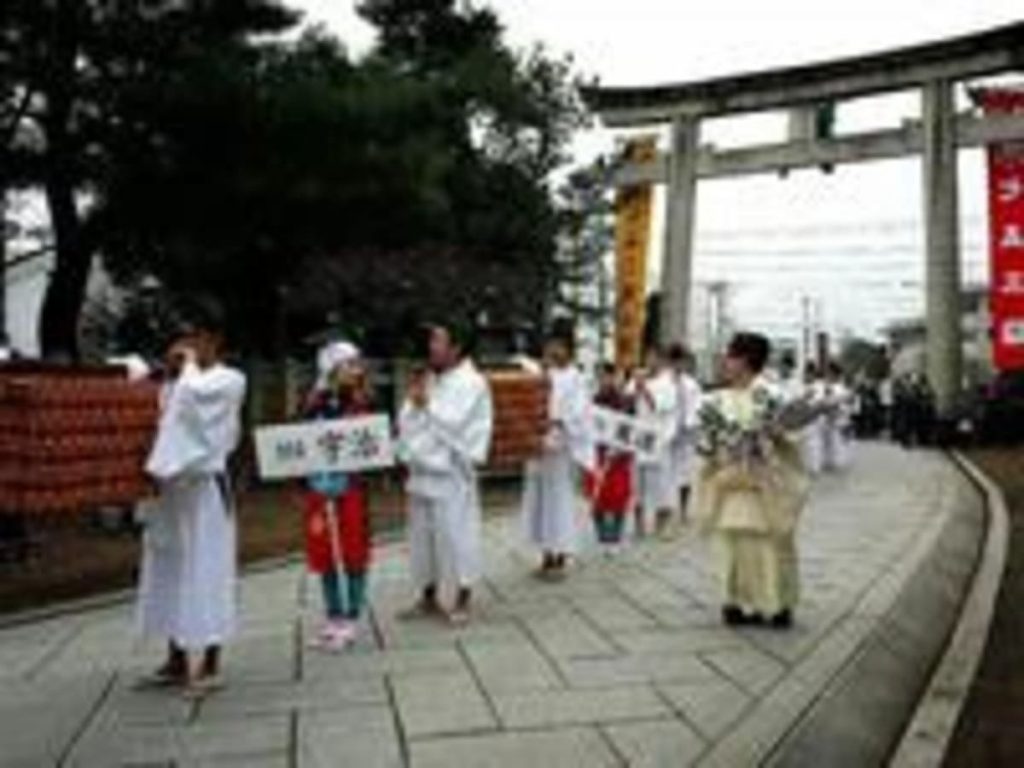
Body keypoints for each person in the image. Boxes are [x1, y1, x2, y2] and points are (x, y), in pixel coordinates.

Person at [135, 300, 247, 697]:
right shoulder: (180, 381)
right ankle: (175, 657)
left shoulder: (229, 379)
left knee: (208, 568)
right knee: (171, 567)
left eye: (194, 337)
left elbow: (200, 405)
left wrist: (183, 373)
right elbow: (166, 419)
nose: (186, 345)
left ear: (214, 340)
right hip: (173, 490)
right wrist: (169, 377)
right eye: (182, 337)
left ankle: (211, 662)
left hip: (206, 488)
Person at [690, 332, 809, 629]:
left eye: (730, 356)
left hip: (765, 482)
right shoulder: (714, 401)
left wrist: (773, 436)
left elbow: (795, 436)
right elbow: (705, 443)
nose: (725, 362)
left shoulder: (773, 395)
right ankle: (736, 602)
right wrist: (715, 451)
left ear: (744, 361)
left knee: (770, 542)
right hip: (730, 481)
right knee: (732, 541)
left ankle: (777, 603)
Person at [398, 324, 493, 626]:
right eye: (431, 340)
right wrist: (416, 405)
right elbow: (408, 417)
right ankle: (428, 595)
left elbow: (456, 424)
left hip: (450, 473)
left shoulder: (472, 382)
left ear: (456, 348)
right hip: (421, 470)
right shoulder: (429, 378)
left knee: (454, 536)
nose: (431, 346)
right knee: (421, 538)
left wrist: (426, 406)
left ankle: (461, 597)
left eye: (438, 340)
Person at [301, 341, 373, 652]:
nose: (356, 370)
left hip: (351, 489)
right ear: (331, 369)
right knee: (325, 552)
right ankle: (333, 617)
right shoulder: (313, 405)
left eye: (358, 364)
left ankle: (351, 618)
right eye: (349, 364)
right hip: (319, 489)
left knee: (353, 551)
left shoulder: (361, 403)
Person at [521, 331, 593, 580]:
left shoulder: (576, 378)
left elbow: (580, 413)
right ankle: (546, 555)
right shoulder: (543, 374)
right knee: (541, 504)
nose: (553, 351)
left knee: (559, 503)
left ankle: (560, 557)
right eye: (550, 345)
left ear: (569, 350)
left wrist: (558, 421)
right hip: (540, 445)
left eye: (559, 346)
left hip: (560, 448)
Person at [630, 346, 681, 538]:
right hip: (638, 436)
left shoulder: (667, 383)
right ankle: (639, 524)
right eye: (647, 358)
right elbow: (629, 401)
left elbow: (657, 407)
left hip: (659, 437)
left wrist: (643, 389)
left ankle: (662, 523)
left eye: (653, 359)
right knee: (638, 483)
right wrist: (635, 387)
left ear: (661, 361)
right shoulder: (639, 377)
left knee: (661, 483)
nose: (649, 362)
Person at [588, 363, 634, 554]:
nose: (603, 381)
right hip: (597, 453)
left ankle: (615, 536)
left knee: (619, 498)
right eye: (599, 377)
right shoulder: (593, 400)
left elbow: (632, 429)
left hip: (619, 455)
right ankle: (602, 536)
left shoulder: (624, 401)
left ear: (613, 377)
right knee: (596, 496)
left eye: (606, 376)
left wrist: (621, 448)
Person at [668, 343, 702, 526]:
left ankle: (683, 510)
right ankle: (666, 510)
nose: (678, 365)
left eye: (681, 362)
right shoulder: (663, 382)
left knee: (686, 474)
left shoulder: (691, 385)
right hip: (666, 436)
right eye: (674, 362)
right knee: (666, 474)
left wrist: (691, 426)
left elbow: (696, 409)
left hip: (685, 435)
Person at [817, 361, 854, 471]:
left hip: (837, 418)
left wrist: (836, 410)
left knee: (836, 441)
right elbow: (822, 401)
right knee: (825, 442)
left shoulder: (842, 389)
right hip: (826, 418)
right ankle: (826, 461)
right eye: (827, 373)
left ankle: (836, 462)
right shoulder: (826, 386)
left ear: (835, 374)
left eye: (830, 373)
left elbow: (846, 405)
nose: (828, 376)